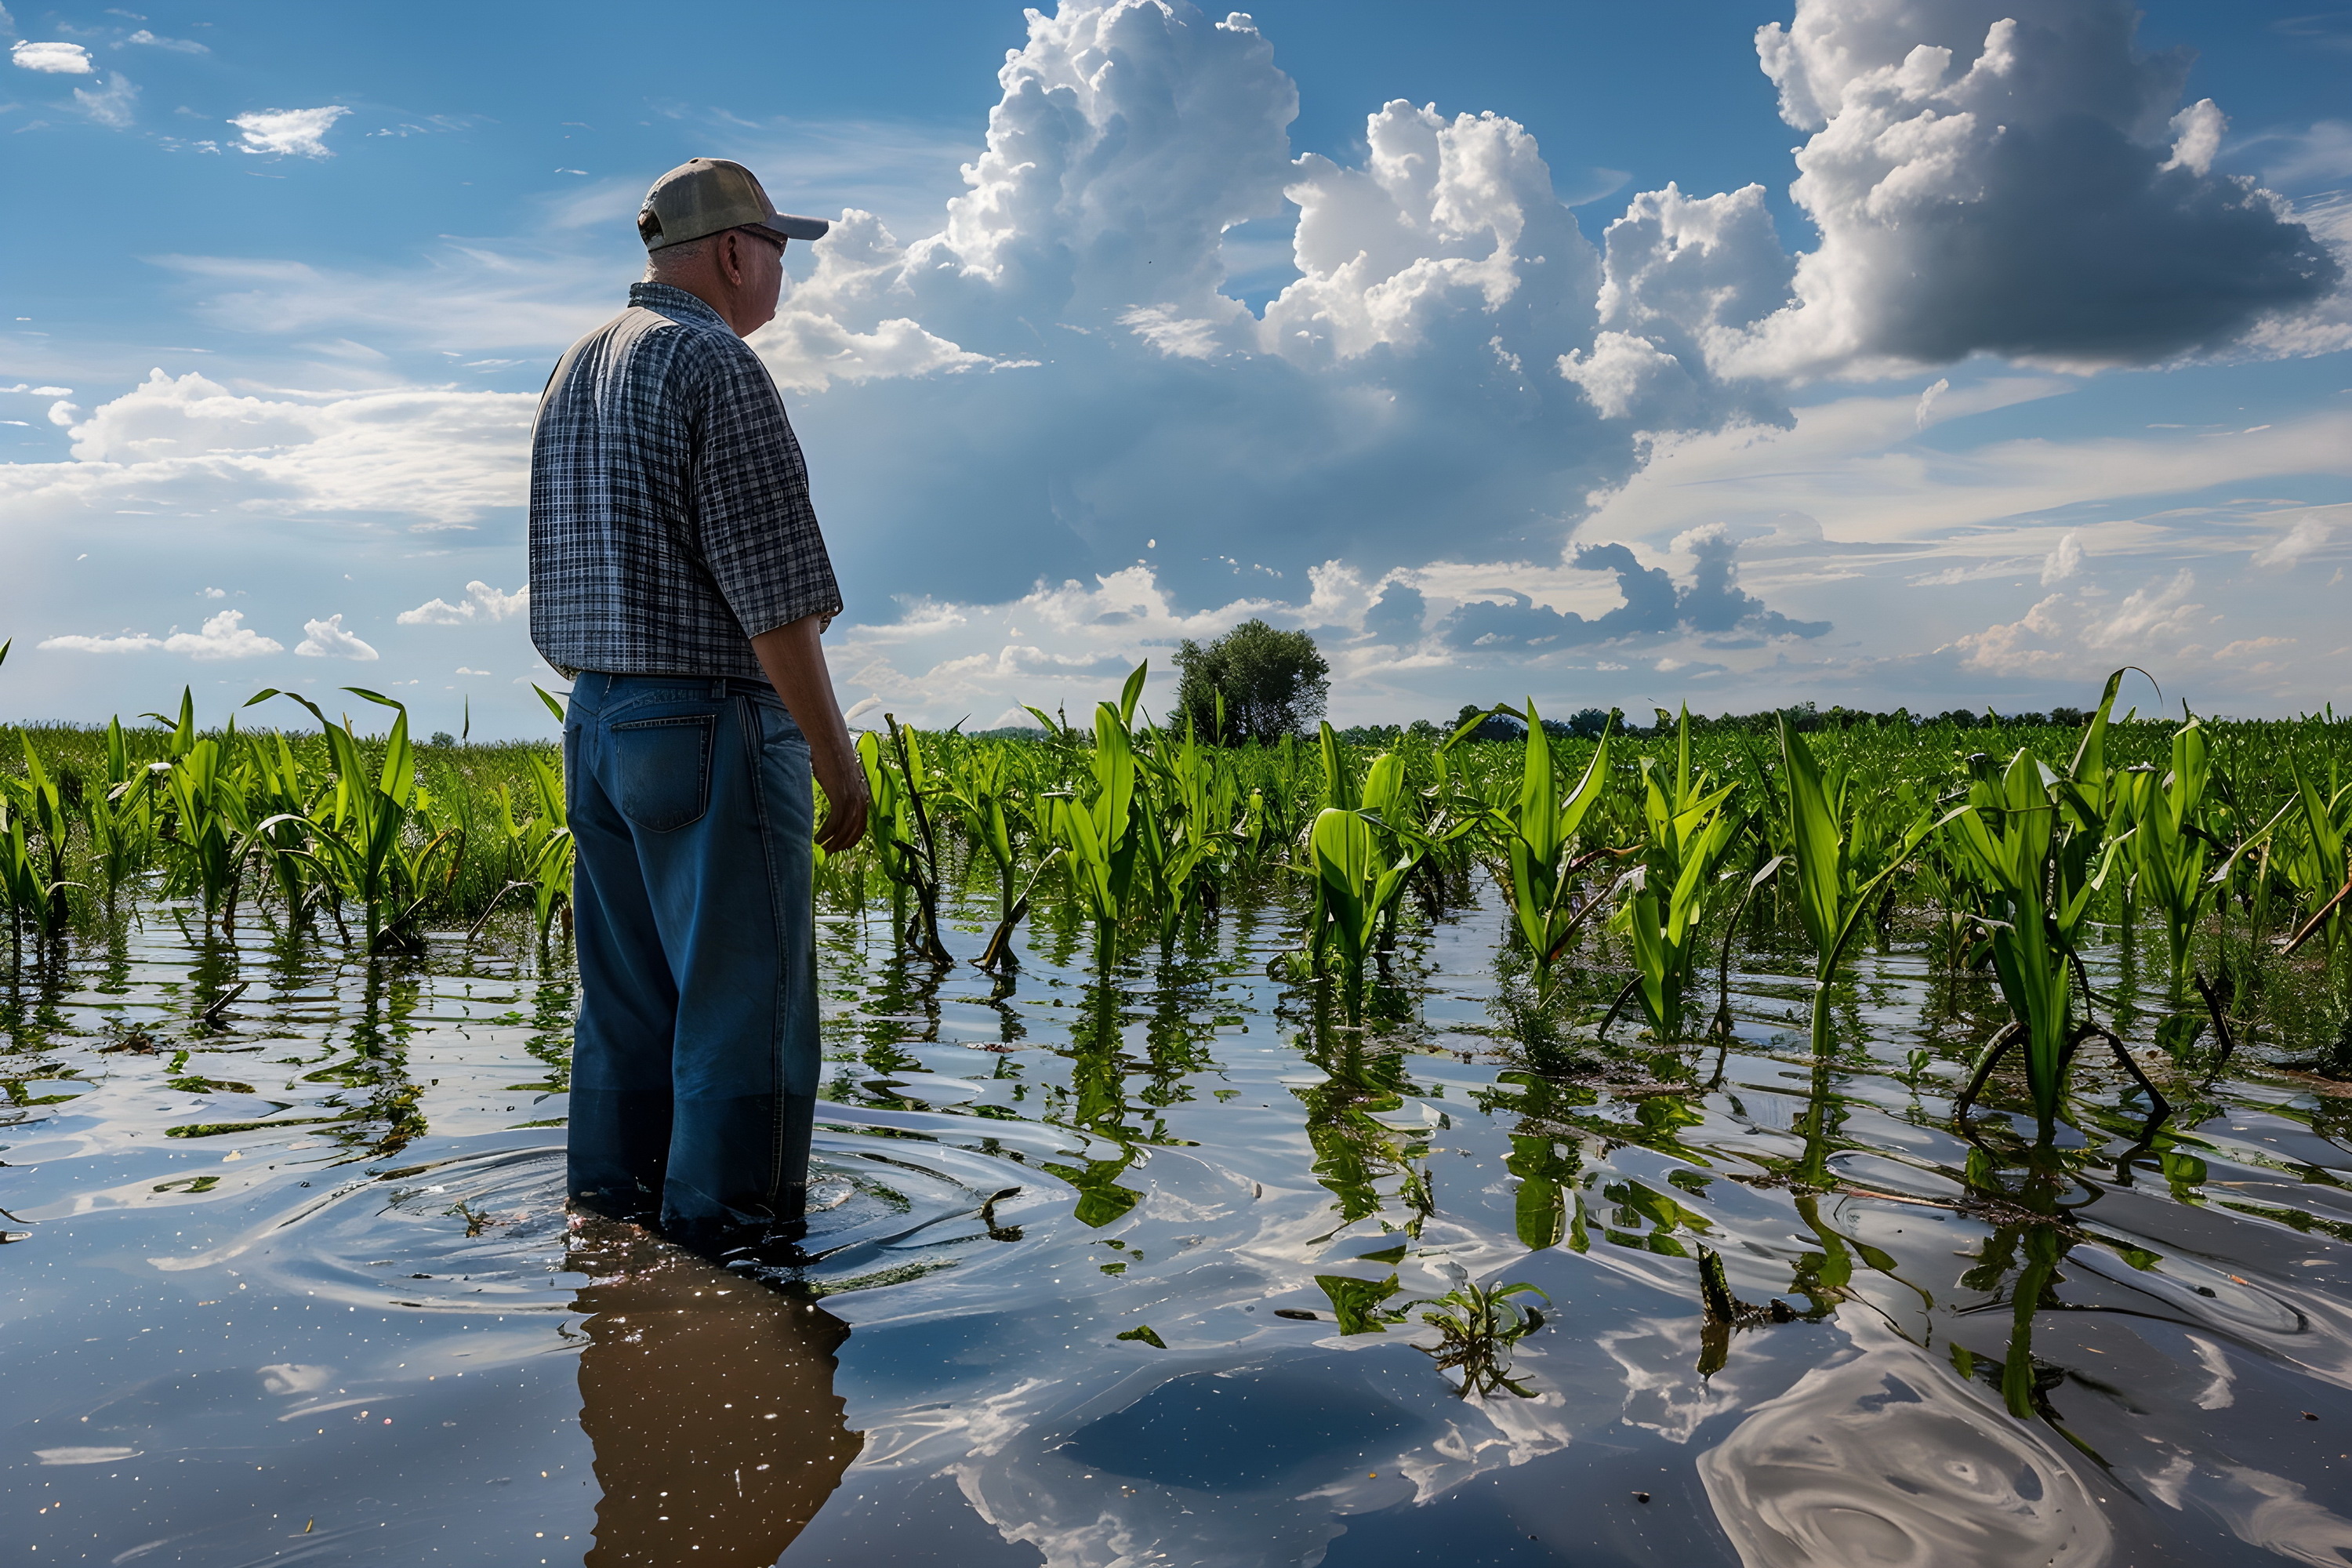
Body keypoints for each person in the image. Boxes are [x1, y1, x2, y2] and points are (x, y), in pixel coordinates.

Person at [528, 157, 869, 1259]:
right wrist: (837, 761)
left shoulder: (577, 367)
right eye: (779, 249)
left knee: (627, 1012)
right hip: (709, 725)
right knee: (747, 1014)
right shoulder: (713, 363)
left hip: (597, 724)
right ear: (734, 252)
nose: (783, 273)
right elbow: (777, 604)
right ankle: (738, 1257)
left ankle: (610, 1226)